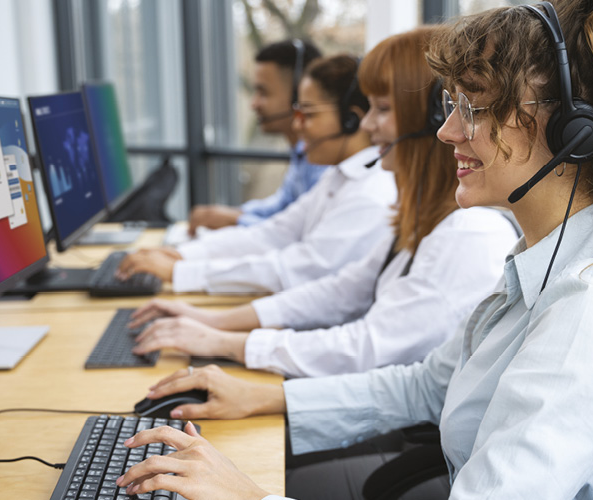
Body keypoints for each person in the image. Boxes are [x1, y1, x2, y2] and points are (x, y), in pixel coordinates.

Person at [115, 1, 593, 498]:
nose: (447, 131)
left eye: (476, 107)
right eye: (450, 105)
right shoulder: (543, 261)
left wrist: (247, 495)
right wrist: (263, 393)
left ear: (574, 129)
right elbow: (427, 386)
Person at [123, 27, 517, 379]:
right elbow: (341, 290)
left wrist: (225, 340)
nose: (365, 125)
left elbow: (366, 343)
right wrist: (213, 323)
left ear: (428, 123)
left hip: (390, 430)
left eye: (381, 110)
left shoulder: (464, 234)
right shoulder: (421, 220)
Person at [117, 55, 397, 293]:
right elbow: (271, 235)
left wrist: (182, 272)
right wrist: (181, 255)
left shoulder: (369, 194)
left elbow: (297, 269)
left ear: (352, 120)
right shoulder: (338, 176)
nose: (297, 127)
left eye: (308, 115)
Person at [188, 39, 327, 234]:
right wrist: (233, 213)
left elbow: (299, 234)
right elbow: (281, 206)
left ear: (299, 96)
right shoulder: (301, 152)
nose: (254, 104)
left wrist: (235, 219)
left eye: (263, 92)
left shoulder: (323, 161)